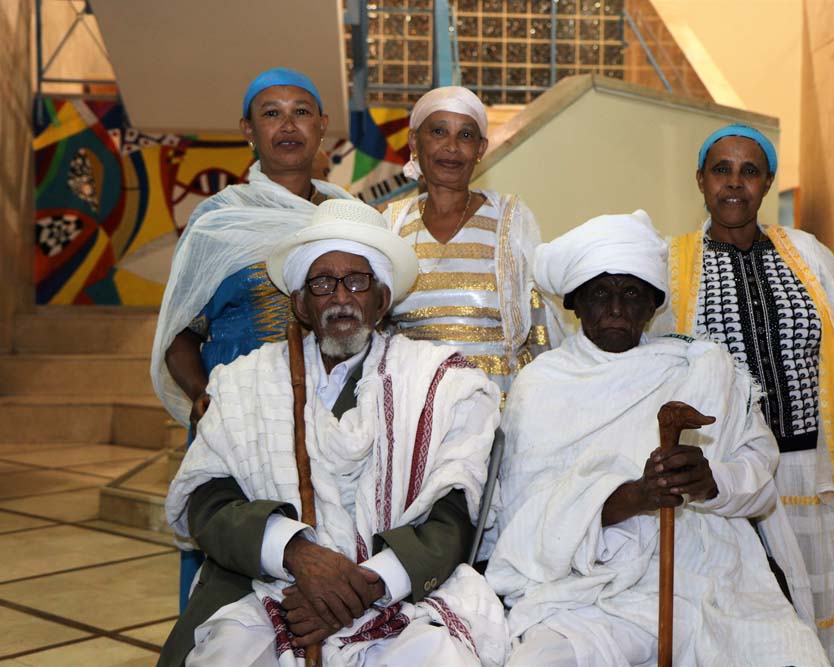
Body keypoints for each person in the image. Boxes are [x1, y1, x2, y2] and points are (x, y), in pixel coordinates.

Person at [159, 199, 506, 666]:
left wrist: (357, 590)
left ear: (382, 299)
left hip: (396, 592)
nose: (341, 297)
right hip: (268, 586)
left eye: (357, 281)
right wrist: (296, 553)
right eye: (322, 283)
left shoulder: (441, 383)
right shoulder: (243, 383)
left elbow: (453, 518)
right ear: (300, 303)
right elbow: (209, 502)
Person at [486, 211, 830, 667]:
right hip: (579, 591)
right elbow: (525, 525)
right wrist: (632, 497)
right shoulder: (541, 385)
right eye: (600, 293)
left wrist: (710, 482)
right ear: (575, 304)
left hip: (702, 572)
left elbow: (759, 485)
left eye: (631, 293)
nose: (615, 307)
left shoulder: (698, 368)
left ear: (652, 305)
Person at [657, 124, 834, 666]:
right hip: (725, 484)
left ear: (767, 184)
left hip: (813, 476)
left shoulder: (809, 255)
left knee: (821, 617)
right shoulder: (670, 265)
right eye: (721, 169)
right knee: (747, 626)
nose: (734, 182)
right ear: (700, 180)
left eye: (750, 171)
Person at [151, 67, 354, 609]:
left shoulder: (351, 219)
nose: (287, 125)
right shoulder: (217, 221)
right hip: (236, 423)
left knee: (326, 562)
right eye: (271, 114)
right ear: (248, 129)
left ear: (322, 125)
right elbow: (178, 335)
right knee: (237, 564)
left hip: (331, 422)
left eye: (301, 112)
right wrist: (203, 399)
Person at [382, 85, 562, 397]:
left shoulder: (510, 218)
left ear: (480, 149)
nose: (451, 147)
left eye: (465, 135)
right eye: (438, 132)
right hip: (412, 406)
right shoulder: (391, 223)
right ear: (414, 141)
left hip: (498, 407)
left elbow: (539, 323)